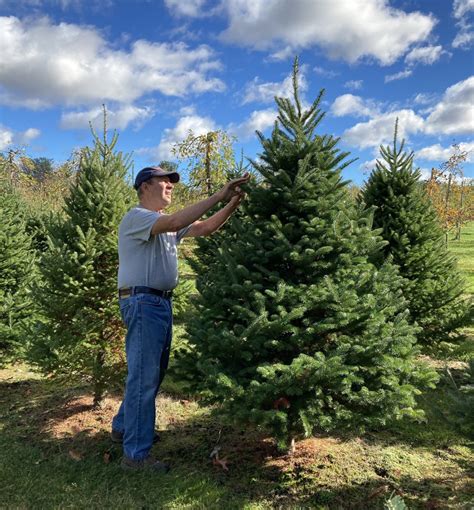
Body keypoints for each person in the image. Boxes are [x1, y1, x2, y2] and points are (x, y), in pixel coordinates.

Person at [111, 165, 250, 472]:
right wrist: (220, 192)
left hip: (158, 304)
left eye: (172, 182)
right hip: (143, 302)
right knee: (144, 377)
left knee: (152, 374)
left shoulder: (164, 225)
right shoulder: (137, 217)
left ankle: (124, 428)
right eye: (165, 181)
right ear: (145, 186)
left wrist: (232, 203)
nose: (171, 186)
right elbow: (176, 219)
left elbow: (205, 228)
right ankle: (135, 455)